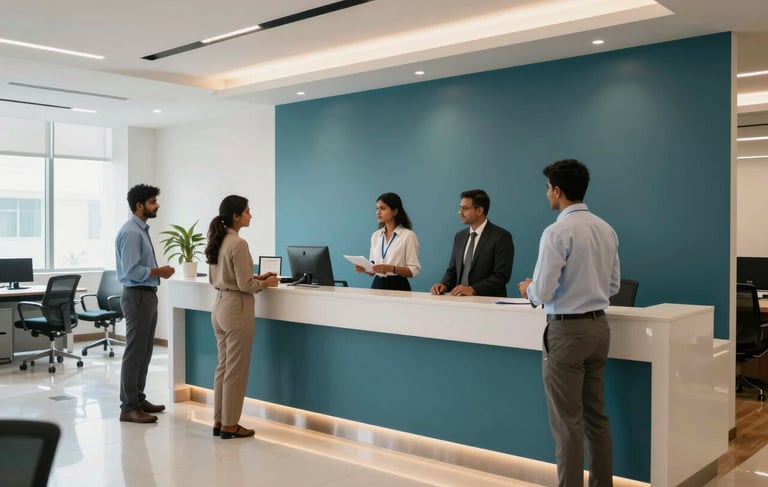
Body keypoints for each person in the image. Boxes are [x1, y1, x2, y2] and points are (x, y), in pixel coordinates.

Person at [518, 159, 620, 487]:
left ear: (558, 191)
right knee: (596, 418)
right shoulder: (606, 228)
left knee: (567, 424)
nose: (546, 193)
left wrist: (528, 290)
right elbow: (614, 286)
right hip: (598, 329)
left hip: (566, 331)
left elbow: (543, 291)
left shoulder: (557, 231)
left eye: (548, 188)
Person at [205, 195, 279, 439]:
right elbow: (245, 285)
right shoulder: (239, 244)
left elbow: (228, 279)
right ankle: (230, 424)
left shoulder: (218, 240)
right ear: (236, 216)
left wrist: (258, 278)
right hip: (237, 308)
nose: (251, 215)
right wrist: (265, 283)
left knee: (223, 367)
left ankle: (219, 421)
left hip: (219, 305)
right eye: (247, 211)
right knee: (236, 370)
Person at [115, 184, 176, 424]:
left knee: (145, 352)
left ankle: (138, 399)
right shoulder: (131, 232)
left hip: (147, 294)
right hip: (137, 295)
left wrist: (155, 274)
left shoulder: (141, 230)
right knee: (135, 353)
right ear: (139, 205)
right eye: (152, 202)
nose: (157, 205)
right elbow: (130, 269)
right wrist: (157, 271)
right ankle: (129, 407)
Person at [431, 189, 514, 297]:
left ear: (479, 210)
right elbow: (453, 270)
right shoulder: (459, 237)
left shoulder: (501, 236)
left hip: (488, 304)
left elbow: (501, 276)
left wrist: (473, 289)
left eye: (465, 208)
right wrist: (443, 285)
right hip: (459, 302)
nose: (460, 212)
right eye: (460, 208)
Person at [354, 192, 421, 291]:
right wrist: (366, 269)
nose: (378, 212)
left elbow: (413, 270)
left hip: (398, 286)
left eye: (382, 208)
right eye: (377, 208)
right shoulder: (376, 236)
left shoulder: (408, 236)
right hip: (377, 285)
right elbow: (373, 267)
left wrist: (392, 268)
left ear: (394, 211)